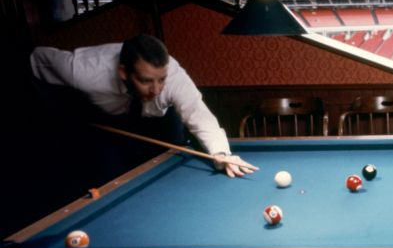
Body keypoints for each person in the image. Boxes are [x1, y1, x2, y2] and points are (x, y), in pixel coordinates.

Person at [30, 34, 256, 178]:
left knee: (175, 166)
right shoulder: (83, 71)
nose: (157, 89)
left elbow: (199, 116)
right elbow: (35, 59)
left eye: (161, 79)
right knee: (109, 175)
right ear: (124, 73)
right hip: (109, 124)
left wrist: (221, 153)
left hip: (160, 122)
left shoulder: (174, 78)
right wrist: (52, 107)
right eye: (146, 80)